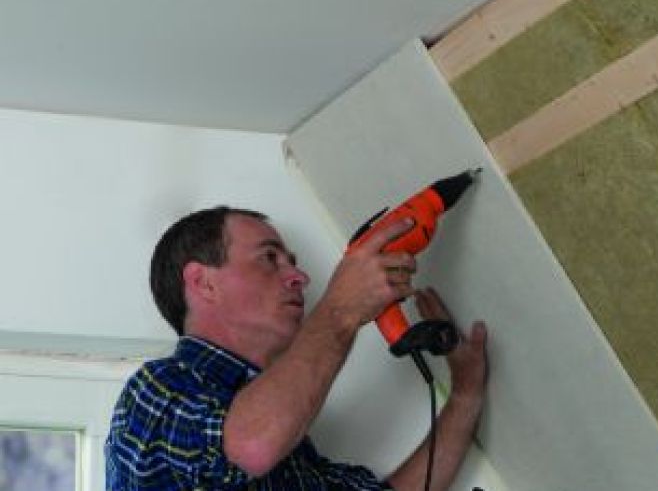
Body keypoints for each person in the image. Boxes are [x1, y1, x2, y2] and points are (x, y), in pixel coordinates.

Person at [105, 206, 488, 490]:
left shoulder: (291, 446)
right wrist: (340, 309)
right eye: (269, 258)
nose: (300, 277)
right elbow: (251, 445)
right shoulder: (154, 392)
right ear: (203, 282)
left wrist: (465, 394)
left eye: (292, 262)